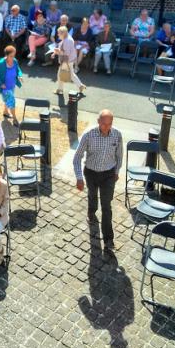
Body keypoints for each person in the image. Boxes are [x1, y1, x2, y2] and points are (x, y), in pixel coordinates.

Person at [73, 109, 123, 252]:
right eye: (104, 124)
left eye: (109, 124)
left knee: (107, 205)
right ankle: (91, 212)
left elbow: (119, 156)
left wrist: (117, 171)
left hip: (108, 174)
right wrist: (79, 178)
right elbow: (77, 158)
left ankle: (109, 240)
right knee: (92, 195)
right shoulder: (89, 135)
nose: (106, 127)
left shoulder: (117, 135)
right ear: (98, 122)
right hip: (91, 173)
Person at [0, 45, 23, 126]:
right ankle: (15, 119)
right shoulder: (1, 63)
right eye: (11, 56)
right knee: (12, 102)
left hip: (12, 86)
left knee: (7, 100)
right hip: (5, 88)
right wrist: (1, 83)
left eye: (14, 55)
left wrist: (20, 75)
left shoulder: (15, 61)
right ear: (6, 55)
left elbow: (18, 69)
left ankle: (5, 112)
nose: (13, 57)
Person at [53, 26, 86, 96]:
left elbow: (66, 53)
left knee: (60, 74)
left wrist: (58, 52)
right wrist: (56, 52)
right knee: (71, 75)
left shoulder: (67, 41)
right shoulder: (67, 38)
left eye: (59, 33)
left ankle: (60, 90)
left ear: (63, 33)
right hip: (69, 60)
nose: (58, 35)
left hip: (66, 61)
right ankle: (80, 86)